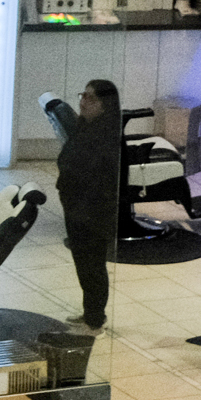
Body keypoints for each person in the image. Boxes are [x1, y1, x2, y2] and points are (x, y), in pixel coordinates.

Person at [41, 79, 123, 331]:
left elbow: (97, 176)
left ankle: (95, 317)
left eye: (90, 98)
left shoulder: (106, 136)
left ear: (105, 105)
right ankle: (91, 313)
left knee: (93, 266)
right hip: (77, 207)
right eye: (83, 95)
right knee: (84, 264)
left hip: (93, 211)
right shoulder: (85, 127)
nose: (83, 102)